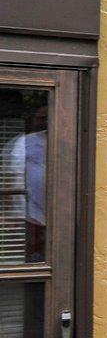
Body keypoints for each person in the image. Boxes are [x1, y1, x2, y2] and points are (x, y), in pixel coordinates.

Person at [2, 102, 45, 264]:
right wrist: (9, 213)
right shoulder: (23, 143)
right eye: (40, 118)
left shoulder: (65, 142)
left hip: (59, 217)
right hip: (30, 216)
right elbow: (9, 178)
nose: (43, 122)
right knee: (31, 260)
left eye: (46, 118)